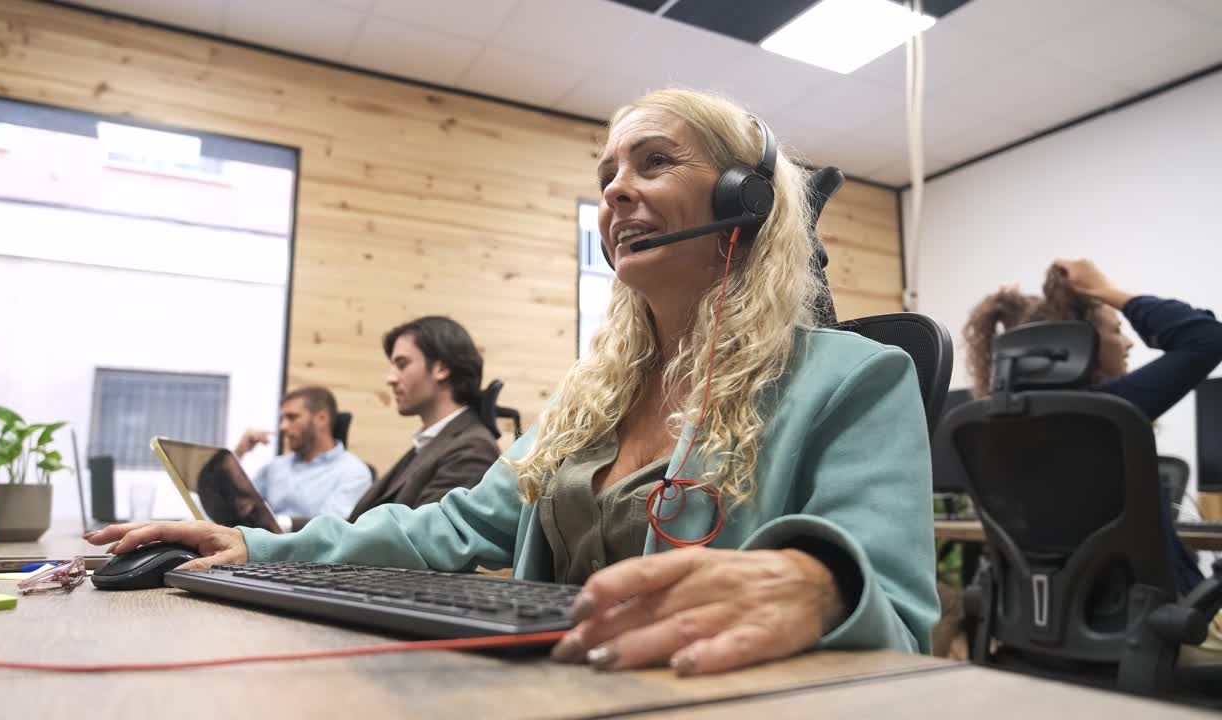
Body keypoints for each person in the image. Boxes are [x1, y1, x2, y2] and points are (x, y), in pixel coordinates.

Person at [88, 88, 938, 675]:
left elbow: (899, 615)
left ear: (743, 200)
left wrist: (823, 583)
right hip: (554, 686)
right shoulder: (589, 403)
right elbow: (445, 533)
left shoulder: (856, 379)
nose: (617, 193)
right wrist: (259, 548)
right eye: (607, 176)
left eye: (652, 163)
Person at [964, 258, 1222, 594]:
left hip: (1049, 627)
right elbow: (1207, 337)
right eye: (1116, 330)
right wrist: (1103, 289)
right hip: (1157, 623)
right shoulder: (1107, 412)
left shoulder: (994, 427)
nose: (1129, 343)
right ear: (1084, 345)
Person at [346, 317, 501, 519]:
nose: (390, 378)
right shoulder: (432, 442)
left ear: (442, 369)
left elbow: (421, 541)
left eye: (402, 365)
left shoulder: (473, 449)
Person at [234, 386, 371, 532]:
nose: (283, 427)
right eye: (282, 419)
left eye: (292, 417)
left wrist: (277, 523)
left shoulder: (354, 472)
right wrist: (239, 452)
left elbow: (330, 528)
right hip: (262, 547)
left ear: (321, 419)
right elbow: (238, 504)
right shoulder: (275, 466)